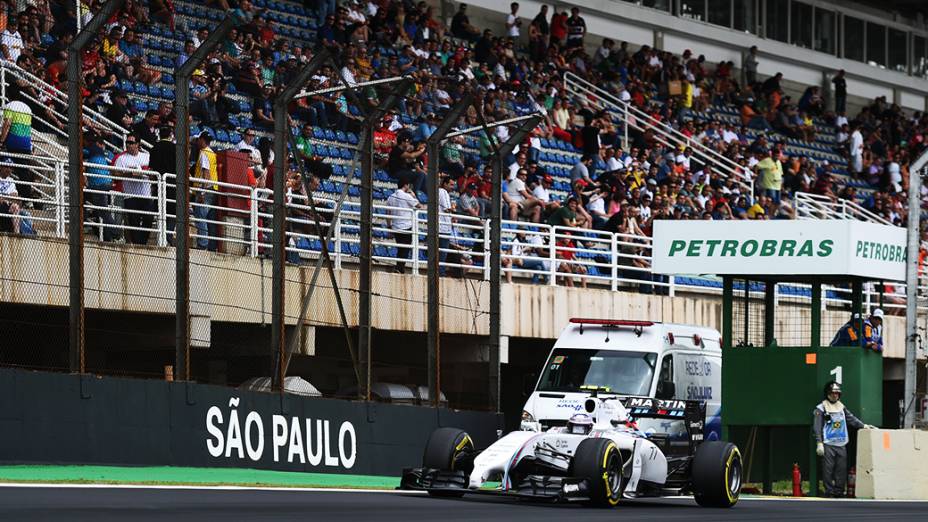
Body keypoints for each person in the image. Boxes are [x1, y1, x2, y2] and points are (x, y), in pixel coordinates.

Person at [813, 382, 875, 498]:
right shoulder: (821, 408)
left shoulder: (841, 407)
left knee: (841, 469)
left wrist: (863, 426)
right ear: (827, 394)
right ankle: (829, 491)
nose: (835, 396)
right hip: (828, 443)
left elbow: (851, 419)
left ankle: (839, 491)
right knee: (828, 469)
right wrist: (819, 442)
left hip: (841, 443)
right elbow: (817, 427)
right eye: (832, 393)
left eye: (837, 393)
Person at [386, 178, 421, 274]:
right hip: (406, 226)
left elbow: (387, 213)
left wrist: (389, 227)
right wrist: (413, 196)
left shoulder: (391, 197)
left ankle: (400, 268)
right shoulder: (407, 196)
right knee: (405, 248)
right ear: (405, 185)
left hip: (396, 226)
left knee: (400, 248)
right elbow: (419, 205)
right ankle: (399, 267)